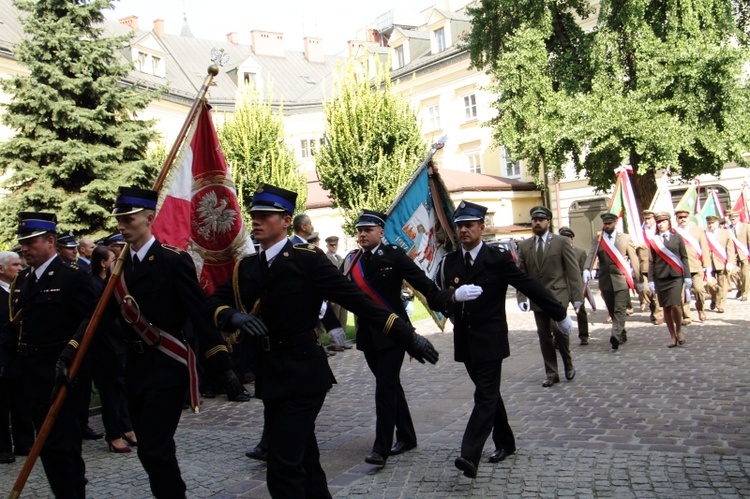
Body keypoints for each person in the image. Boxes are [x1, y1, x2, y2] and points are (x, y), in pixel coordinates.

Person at [206, 183, 441, 498]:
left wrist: (408, 336)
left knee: (282, 464)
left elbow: (359, 302)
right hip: (271, 373)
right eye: (254, 215)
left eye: (266, 215)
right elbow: (211, 303)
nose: (257, 221)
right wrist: (231, 316)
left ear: (287, 220)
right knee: (305, 457)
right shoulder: (247, 266)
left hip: (304, 374)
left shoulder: (308, 260)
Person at [96, 186, 246, 498]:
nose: (122, 225)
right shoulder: (118, 269)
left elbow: (200, 313)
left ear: (149, 218)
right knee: (150, 451)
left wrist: (222, 365)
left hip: (167, 366)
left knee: (154, 448)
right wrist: (71, 353)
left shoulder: (172, 261)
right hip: (135, 369)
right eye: (119, 219)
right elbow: (98, 317)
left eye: (129, 218)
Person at [433, 201, 571, 479]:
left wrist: (559, 312)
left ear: (482, 228)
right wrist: (452, 297)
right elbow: (436, 296)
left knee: (484, 395)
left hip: (491, 339)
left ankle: (469, 455)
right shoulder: (450, 262)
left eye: (469, 225)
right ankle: (506, 442)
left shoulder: (496, 258)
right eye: (459, 226)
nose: (463, 231)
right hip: (466, 340)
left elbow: (529, 285)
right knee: (489, 394)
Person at [344, 209, 450, 467]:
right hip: (368, 335)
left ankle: (380, 448)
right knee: (390, 385)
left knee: (385, 388)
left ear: (381, 232)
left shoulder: (394, 256)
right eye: (360, 230)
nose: (362, 234)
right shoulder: (351, 260)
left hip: (393, 334)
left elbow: (424, 284)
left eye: (368, 230)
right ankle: (407, 435)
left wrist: (448, 300)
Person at [9, 212, 96, 497]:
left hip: (62, 373)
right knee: (46, 447)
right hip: (31, 374)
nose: (24, 248)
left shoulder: (72, 277)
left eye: (31, 242)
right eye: (23, 242)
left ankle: (73, 493)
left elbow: (90, 323)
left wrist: (70, 359)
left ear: (50, 241)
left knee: (63, 445)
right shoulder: (22, 280)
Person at [516, 206, 582, 387]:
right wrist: (521, 297)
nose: (537, 222)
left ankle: (567, 362)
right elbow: (520, 275)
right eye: (534, 220)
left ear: (548, 222)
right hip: (537, 298)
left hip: (558, 295)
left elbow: (573, 271)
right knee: (544, 335)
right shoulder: (524, 245)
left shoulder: (561, 242)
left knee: (559, 331)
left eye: (541, 219)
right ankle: (552, 372)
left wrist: (577, 296)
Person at [89, 245, 136, 453]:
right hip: (105, 348)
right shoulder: (94, 285)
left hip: (119, 346)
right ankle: (114, 435)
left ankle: (126, 428)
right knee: (110, 393)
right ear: (103, 263)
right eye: (112, 258)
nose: (116, 261)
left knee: (122, 390)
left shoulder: (110, 283)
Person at [584, 213, 641, 350]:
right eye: (605, 223)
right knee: (611, 307)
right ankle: (622, 332)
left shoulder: (625, 238)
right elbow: (592, 254)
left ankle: (615, 335)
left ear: (615, 223)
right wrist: (587, 268)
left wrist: (639, 279)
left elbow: (633, 258)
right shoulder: (599, 239)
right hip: (605, 280)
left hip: (621, 279)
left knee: (619, 309)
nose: (606, 226)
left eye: (609, 223)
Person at [0, 250, 34, 464]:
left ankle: (25, 443)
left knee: (22, 402)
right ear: (2, 269)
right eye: (15, 265)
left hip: (21, 355)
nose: (20, 269)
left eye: (21, 265)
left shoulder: (22, 290)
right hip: (2, 357)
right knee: (2, 405)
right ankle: (3, 447)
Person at [647, 212, 691, 347]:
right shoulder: (654, 241)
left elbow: (684, 257)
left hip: (676, 276)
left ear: (669, 223)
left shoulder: (677, 237)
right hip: (661, 277)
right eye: (659, 222)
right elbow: (652, 262)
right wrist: (651, 279)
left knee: (676, 305)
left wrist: (687, 275)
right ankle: (672, 335)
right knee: (666, 307)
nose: (661, 224)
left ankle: (679, 330)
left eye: (664, 222)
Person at [674, 209, 711, 323]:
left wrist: (707, 265)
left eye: (685, 217)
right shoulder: (674, 232)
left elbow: (704, 248)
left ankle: (700, 309)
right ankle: (686, 316)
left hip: (696, 265)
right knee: (682, 293)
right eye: (680, 217)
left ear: (688, 217)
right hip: (680, 267)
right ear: (676, 219)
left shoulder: (698, 230)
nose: (682, 219)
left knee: (699, 290)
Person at [559, 227, 590, 345]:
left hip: (576, 287)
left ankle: (584, 336)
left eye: (568, 238)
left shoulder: (580, 252)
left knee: (581, 312)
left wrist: (583, 285)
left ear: (572, 239)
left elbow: (583, 271)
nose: (566, 240)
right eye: (563, 238)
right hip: (561, 287)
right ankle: (560, 338)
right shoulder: (556, 252)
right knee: (560, 313)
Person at [704, 214, 735, 313]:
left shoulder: (725, 233)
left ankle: (721, 304)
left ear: (717, 223)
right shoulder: (704, 234)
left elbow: (730, 249)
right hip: (709, 263)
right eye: (709, 223)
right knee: (710, 284)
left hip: (722, 262)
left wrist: (730, 262)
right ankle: (714, 298)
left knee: (722, 284)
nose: (710, 225)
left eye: (712, 223)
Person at [637, 210, 663, 324]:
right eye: (645, 219)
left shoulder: (658, 233)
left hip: (658, 266)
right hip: (644, 267)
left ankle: (659, 315)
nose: (647, 221)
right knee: (646, 290)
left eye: (649, 219)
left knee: (657, 292)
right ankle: (653, 308)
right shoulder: (639, 233)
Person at [324, 235, 349, 339]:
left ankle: (342, 341)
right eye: (331, 245)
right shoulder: (325, 258)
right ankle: (335, 342)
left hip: (343, 291)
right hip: (334, 291)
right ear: (327, 245)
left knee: (343, 316)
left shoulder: (339, 258)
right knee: (336, 317)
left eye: (335, 245)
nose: (334, 247)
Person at [727, 211, 750, 301]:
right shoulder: (727, 229)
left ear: (738, 218)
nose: (732, 220)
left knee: (745, 274)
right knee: (731, 272)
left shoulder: (746, 227)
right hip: (733, 254)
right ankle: (740, 287)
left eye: (733, 219)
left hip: (744, 253)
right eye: (731, 219)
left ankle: (745, 293)